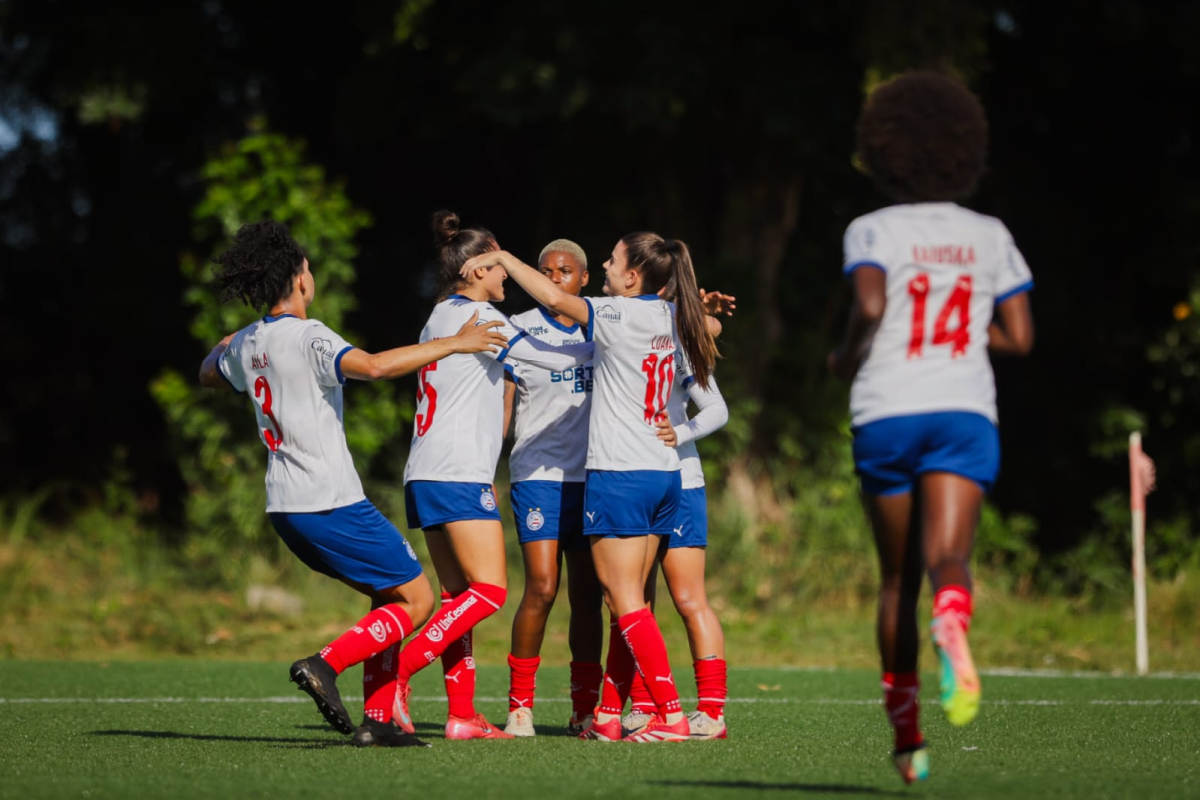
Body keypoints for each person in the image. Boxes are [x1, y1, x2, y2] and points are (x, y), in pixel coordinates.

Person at [197, 219, 508, 748]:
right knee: (417, 599)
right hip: (331, 501)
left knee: (387, 591)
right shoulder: (309, 334)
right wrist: (457, 343)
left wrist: (227, 344)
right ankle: (325, 664)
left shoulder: (248, 343)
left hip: (284, 509)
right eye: (308, 268)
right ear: (298, 280)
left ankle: (380, 720)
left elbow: (207, 372)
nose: (311, 275)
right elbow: (376, 367)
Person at [827, 71, 1034, 784]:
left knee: (894, 582)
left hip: (887, 407)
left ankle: (909, 739)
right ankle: (956, 613)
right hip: (961, 410)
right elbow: (1021, 335)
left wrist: (845, 356)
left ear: (884, 150)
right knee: (950, 559)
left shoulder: (872, 227)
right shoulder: (990, 234)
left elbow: (874, 304)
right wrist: (969, 333)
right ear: (962, 150)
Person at [462, 231, 718, 743]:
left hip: (619, 473)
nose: (605, 263)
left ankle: (666, 713)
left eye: (613, 259)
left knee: (622, 599)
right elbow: (703, 324)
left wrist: (506, 257)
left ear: (632, 276)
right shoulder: (670, 315)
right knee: (629, 598)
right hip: (665, 471)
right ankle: (611, 713)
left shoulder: (617, 315)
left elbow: (556, 299)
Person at [397, 211, 595, 740]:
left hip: (423, 469)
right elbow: (549, 351)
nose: (508, 277)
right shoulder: (486, 319)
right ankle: (403, 669)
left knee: (456, 597)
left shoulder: (439, 315)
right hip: (458, 472)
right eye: (500, 267)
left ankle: (461, 714)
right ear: (478, 269)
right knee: (489, 592)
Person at [500, 239, 605, 737]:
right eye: (546, 271)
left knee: (588, 595)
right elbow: (502, 406)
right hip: (537, 475)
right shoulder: (519, 328)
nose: (554, 278)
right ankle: (520, 705)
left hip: (595, 477)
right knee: (542, 587)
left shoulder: (604, 324)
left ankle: (586, 707)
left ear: (583, 279)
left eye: (564, 271)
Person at [621, 361, 730, 740]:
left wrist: (680, 433)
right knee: (634, 598)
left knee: (689, 598)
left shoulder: (677, 344)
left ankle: (712, 711)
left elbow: (717, 408)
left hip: (681, 482)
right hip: (630, 479)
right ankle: (643, 704)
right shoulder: (612, 330)